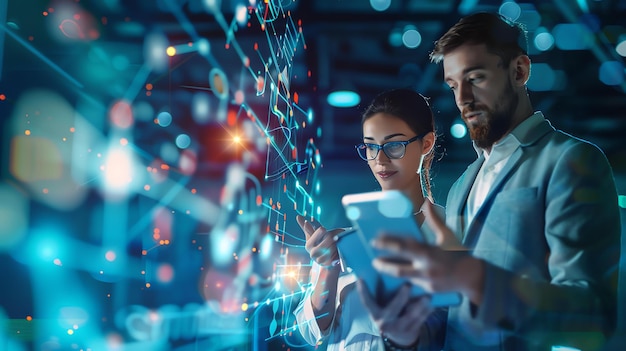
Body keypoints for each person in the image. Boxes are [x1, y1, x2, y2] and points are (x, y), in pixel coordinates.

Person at [370, 12, 621, 351]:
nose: (463, 99)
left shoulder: (571, 161)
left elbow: (592, 317)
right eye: (454, 85)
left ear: (520, 71)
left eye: (475, 78)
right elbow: (453, 319)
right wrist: (405, 336)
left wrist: (474, 277)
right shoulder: (461, 187)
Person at [293, 88, 447, 350]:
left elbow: (455, 329)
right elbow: (311, 332)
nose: (380, 160)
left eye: (394, 145)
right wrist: (329, 268)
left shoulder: (450, 233)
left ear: (426, 144)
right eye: (371, 147)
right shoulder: (345, 241)